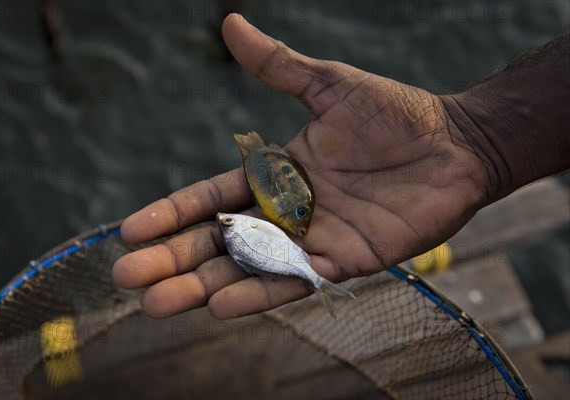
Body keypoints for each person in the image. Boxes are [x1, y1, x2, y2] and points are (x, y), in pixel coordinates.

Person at [112, 14, 569, 319]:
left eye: (300, 220)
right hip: (268, 177)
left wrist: (478, 139)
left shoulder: (277, 217)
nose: (301, 226)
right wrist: (477, 139)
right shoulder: (277, 210)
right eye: (300, 220)